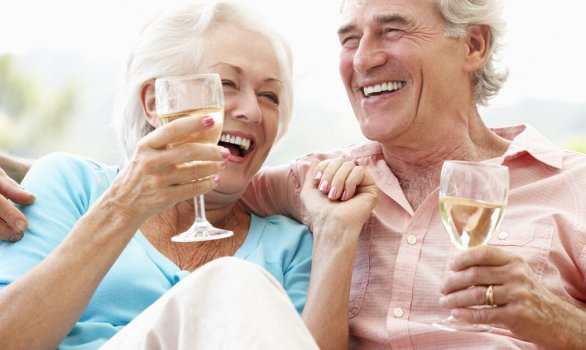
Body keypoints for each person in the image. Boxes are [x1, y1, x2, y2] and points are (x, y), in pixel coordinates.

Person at [1, 0, 586, 349]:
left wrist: (558, 323)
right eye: (349, 39)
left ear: (473, 44)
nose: (364, 58)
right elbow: (167, 177)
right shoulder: (318, 186)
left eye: (391, 30)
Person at [0, 1, 376, 349]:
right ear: (155, 102)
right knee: (235, 281)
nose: (252, 111)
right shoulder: (72, 186)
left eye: (270, 96)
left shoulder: (290, 247)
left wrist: (335, 234)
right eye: (226, 84)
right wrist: (124, 207)